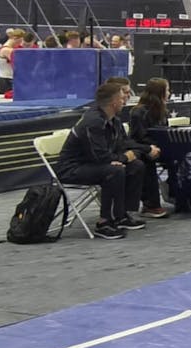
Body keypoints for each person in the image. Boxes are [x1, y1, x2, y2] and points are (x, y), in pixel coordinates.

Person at [55, 82, 146, 239]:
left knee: (136, 165)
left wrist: (133, 153)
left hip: (93, 163)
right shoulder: (94, 121)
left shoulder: (114, 120)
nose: (125, 99)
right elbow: (99, 156)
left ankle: (122, 214)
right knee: (115, 171)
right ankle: (104, 222)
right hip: (72, 168)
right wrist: (124, 158)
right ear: (113, 101)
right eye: (122, 97)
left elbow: (121, 146)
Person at [125, 77, 171, 219]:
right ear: (160, 93)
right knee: (147, 159)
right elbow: (139, 137)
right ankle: (150, 204)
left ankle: (177, 194)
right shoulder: (138, 112)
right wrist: (151, 148)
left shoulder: (163, 111)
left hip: (158, 146)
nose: (169, 93)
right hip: (140, 148)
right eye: (167, 90)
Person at [0, 28, 24, 95]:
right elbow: (18, 65)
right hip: (6, 81)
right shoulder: (7, 50)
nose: (20, 44)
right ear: (15, 38)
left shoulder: (8, 48)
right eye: (20, 42)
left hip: (9, 79)